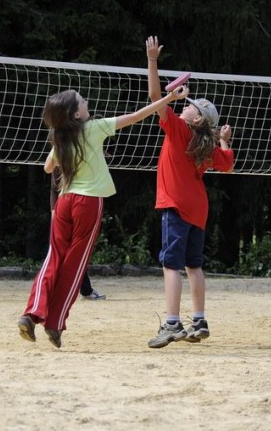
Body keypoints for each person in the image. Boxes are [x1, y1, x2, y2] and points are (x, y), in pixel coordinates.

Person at [17, 85, 189, 348]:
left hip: (64, 201)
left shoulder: (61, 136)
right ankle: (54, 322)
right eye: (81, 100)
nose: (86, 101)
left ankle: (31, 313)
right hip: (88, 202)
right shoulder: (93, 128)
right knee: (74, 264)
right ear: (76, 114)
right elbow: (137, 116)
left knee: (54, 257)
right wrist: (169, 98)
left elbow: (48, 167)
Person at [145, 36, 234, 349]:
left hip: (177, 205)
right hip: (198, 208)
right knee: (194, 265)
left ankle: (172, 323)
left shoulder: (180, 130)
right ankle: (199, 320)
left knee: (171, 264)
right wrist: (224, 140)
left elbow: (155, 98)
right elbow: (228, 164)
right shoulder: (207, 145)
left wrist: (152, 60)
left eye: (189, 107)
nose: (184, 106)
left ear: (196, 119)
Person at [50, 168, 106, 301]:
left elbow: (53, 187)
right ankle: (81, 290)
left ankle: (84, 290)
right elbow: (54, 187)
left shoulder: (63, 158)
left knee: (71, 251)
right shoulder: (64, 159)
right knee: (71, 251)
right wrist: (53, 211)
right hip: (72, 206)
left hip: (71, 206)